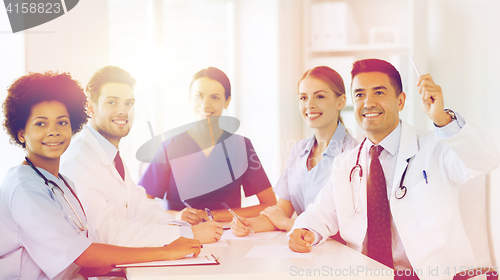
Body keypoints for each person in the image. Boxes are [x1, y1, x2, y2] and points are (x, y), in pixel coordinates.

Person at [288, 59, 499, 280]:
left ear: (401, 101)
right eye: (360, 94)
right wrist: (305, 230)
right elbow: (319, 213)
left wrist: (443, 120)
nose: (368, 103)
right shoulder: (346, 164)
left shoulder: (435, 147)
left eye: (379, 93)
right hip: (368, 276)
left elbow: (485, 161)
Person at [0, 72, 202, 280]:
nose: (54, 131)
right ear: (21, 132)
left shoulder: (61, 183)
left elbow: (74, 249)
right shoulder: (23, 186)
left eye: (62, 122)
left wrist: (98, 268)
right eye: (41, 124)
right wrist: (167, 252)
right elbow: (83, 253)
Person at [60, 66, 222, 247]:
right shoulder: (79, 161)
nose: (122, 111)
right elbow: (107, 233)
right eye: (112, 102)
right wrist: (187, 233)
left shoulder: (111, 155)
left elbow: (143, 208)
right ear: (91, 108)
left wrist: (182, 228)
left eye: (128, 103)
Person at [138, 67, 277, 223]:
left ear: (227, 101)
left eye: (215, 97)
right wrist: (176, 215)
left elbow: (269, 204)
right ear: (189, 98)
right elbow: (141, 206)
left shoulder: (241, 146)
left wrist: (214, 215)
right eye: (199, 96)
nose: (205, 105)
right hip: (179, 235)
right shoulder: (169, 147)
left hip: (227, 237)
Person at [230, 66, 357, 236]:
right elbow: (282, 210)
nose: (309, 105)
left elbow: (347, 227)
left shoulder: (353, 153)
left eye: (319, 96)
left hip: (336, 252)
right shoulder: (298, 150)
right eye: (303, 98)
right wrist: (248, 224)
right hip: (302, 247)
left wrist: (286, 223)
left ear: (340, 102)